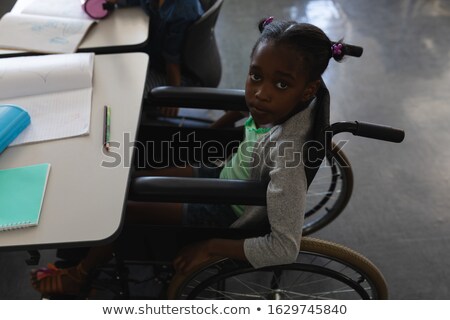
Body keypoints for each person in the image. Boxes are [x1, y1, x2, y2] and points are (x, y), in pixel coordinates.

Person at [31, 18, 350, 296]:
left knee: (121, 209)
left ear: (308, 90)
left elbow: (284, 247)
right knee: (129, 179)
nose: (260, 93)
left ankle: (80, 275)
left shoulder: (289, 154)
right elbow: (250, 116)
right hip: (225, 176)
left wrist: (212, 246)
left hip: (226, 211)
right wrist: (215, 130)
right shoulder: (281, 107)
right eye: (256, 76)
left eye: (281, 83)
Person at [115, 0, 204, 117]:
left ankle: (132, 126)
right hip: (155, 55)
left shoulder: (183, 10)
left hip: (175, 75)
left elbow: (172, 60)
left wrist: (173, 95)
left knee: (121, 89)